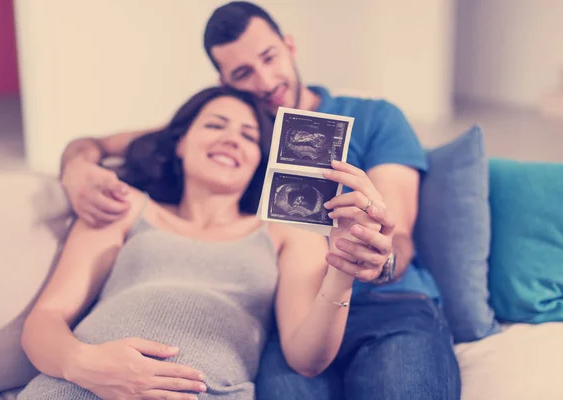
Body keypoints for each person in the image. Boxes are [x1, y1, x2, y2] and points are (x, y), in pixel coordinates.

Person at [57, 2, 462, 399]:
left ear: (289, 45)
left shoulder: (375, 118)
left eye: (269, 57)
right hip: (285, 322)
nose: (266, 82)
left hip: (389, 307)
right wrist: (76, 170)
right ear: (224, 82)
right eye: (243, 73)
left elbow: (400, 238)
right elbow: (96, 144)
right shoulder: (241, 132)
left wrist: (378, 261)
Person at [18, 86, 388, 399]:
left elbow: (307, 359)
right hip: (74, 387)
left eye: (248, 135)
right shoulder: (124, 205)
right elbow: (45, 321)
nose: (231, 139)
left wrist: (343, 272)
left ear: (261, 159)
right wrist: (86, 365)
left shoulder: (287, 231)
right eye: (215, 125)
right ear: (180, 143)